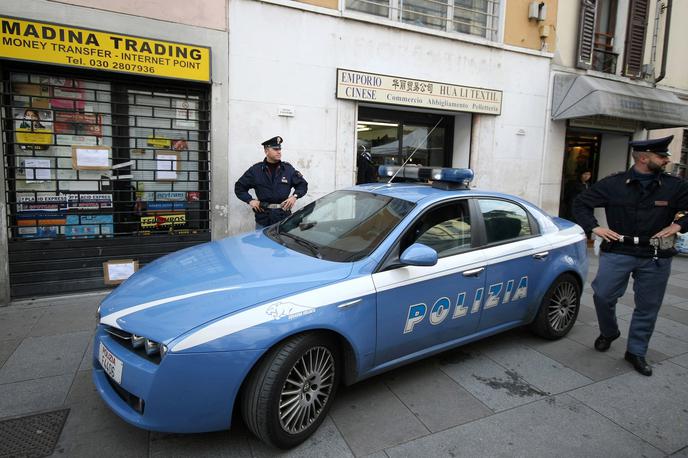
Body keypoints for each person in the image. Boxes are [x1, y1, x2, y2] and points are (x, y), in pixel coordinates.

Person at [572, 135, 688, 376]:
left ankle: (636, 351)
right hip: (619, 249)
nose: (667, 160)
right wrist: (595, 228)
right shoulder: (613, 184)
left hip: (656, 253)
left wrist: (679, 226)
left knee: (647, 306)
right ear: (644, 158)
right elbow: (580, 203)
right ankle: (609, 331)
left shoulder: (674, 185)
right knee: (603, 295)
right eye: (662, 156)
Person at [234, 136, 308, 229]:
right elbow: (239, 188)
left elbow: (302, 185)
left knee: (283, 243)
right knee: (262, 242)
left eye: (280, 149)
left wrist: (294, 197)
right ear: (266, 151)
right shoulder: (255, 170)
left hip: (283, 217)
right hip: (263, 218)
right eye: (275, 149)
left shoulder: (287, 169)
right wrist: (250, 200)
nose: (279, 152)